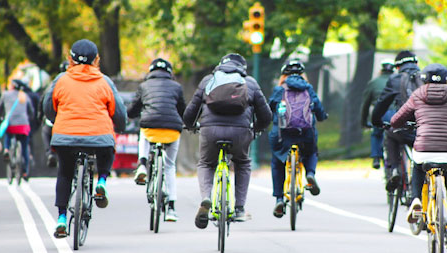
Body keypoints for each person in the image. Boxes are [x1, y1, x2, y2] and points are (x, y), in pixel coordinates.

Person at [43, 39, 127, 238]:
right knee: (107, 150)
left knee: (64, 173)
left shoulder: (61, 80)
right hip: (99, 136)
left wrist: (58, 121)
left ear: (70, 59)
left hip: (65, 136)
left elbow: (48, 107)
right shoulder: (105, 82)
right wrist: (121, 128)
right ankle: (102, 182)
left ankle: (62, 219)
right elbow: (119, 112)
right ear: (96, 59)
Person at [183, 53, 271, 228]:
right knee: (243, 163)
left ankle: (206, 198)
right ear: (242, 69)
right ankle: (239, 208)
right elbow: (266, 115)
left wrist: (191, 125)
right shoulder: (250, 83)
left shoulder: (208, 80)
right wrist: (257, 128)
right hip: (240, 132)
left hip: (210, 131)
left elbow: (190, 112)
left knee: (206, 163)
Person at [391, 63, 447, 247]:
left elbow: (396, 120)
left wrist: (408, 122)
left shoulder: (418, 94)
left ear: (424, 78)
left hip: (424, 148)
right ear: (446, 78)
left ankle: (416, 200)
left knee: (418, 167)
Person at [128, 58, 186, 222]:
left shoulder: (144, 86)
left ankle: (141, 164)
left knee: (144, 130)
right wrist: (191, 124)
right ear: (169, 72)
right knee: (169, 165)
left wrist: (132, 115)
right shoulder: (177, 87)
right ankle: (172, 208)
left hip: (150, 127)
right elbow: (183, 110)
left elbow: (132, 111)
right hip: (172, 130)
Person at [268, 59, 328, 218]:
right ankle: (310, 174)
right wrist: (322, 117)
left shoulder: (279, 89)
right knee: (311, 151)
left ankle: (279, 198)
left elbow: (268, 109)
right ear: (303, 75)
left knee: (277, 161)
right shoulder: (308, 88)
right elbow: (318, 109)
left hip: (282, 134)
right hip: (305, 132)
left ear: (283, 75)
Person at [371, 50, 421, 191]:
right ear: (416, 63)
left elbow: (382, 103)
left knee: (390, 135)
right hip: (425, 129)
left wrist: (376, 121)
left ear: (398, 66)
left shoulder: (395, 79)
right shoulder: (425, 77)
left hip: (404, 129)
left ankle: (394, 169)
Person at [0, 79, 35, 181]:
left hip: (11, 124)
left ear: (12, 86)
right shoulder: (24, 96)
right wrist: (28, 119)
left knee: (8, 134)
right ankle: (25, 172)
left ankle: (7, 149)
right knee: (25, 148)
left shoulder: (5, 95)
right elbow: (31, 112)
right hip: (23, 125)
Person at [361, 59, 394, 169]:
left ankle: (376, 157)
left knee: (376, 133)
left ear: (381, 69)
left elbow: (365, 105)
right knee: (397, 135)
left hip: (379, 113)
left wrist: (364, 122)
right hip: (396, 113)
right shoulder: (398, 80)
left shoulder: (373, 82)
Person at [38, 61, 69, 167]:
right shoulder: (83, 81)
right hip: (79, 122)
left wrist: (42, 115)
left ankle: (50, 153)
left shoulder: (56, 82)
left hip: (57, 120)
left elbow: (44, 100)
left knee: (46, 132)